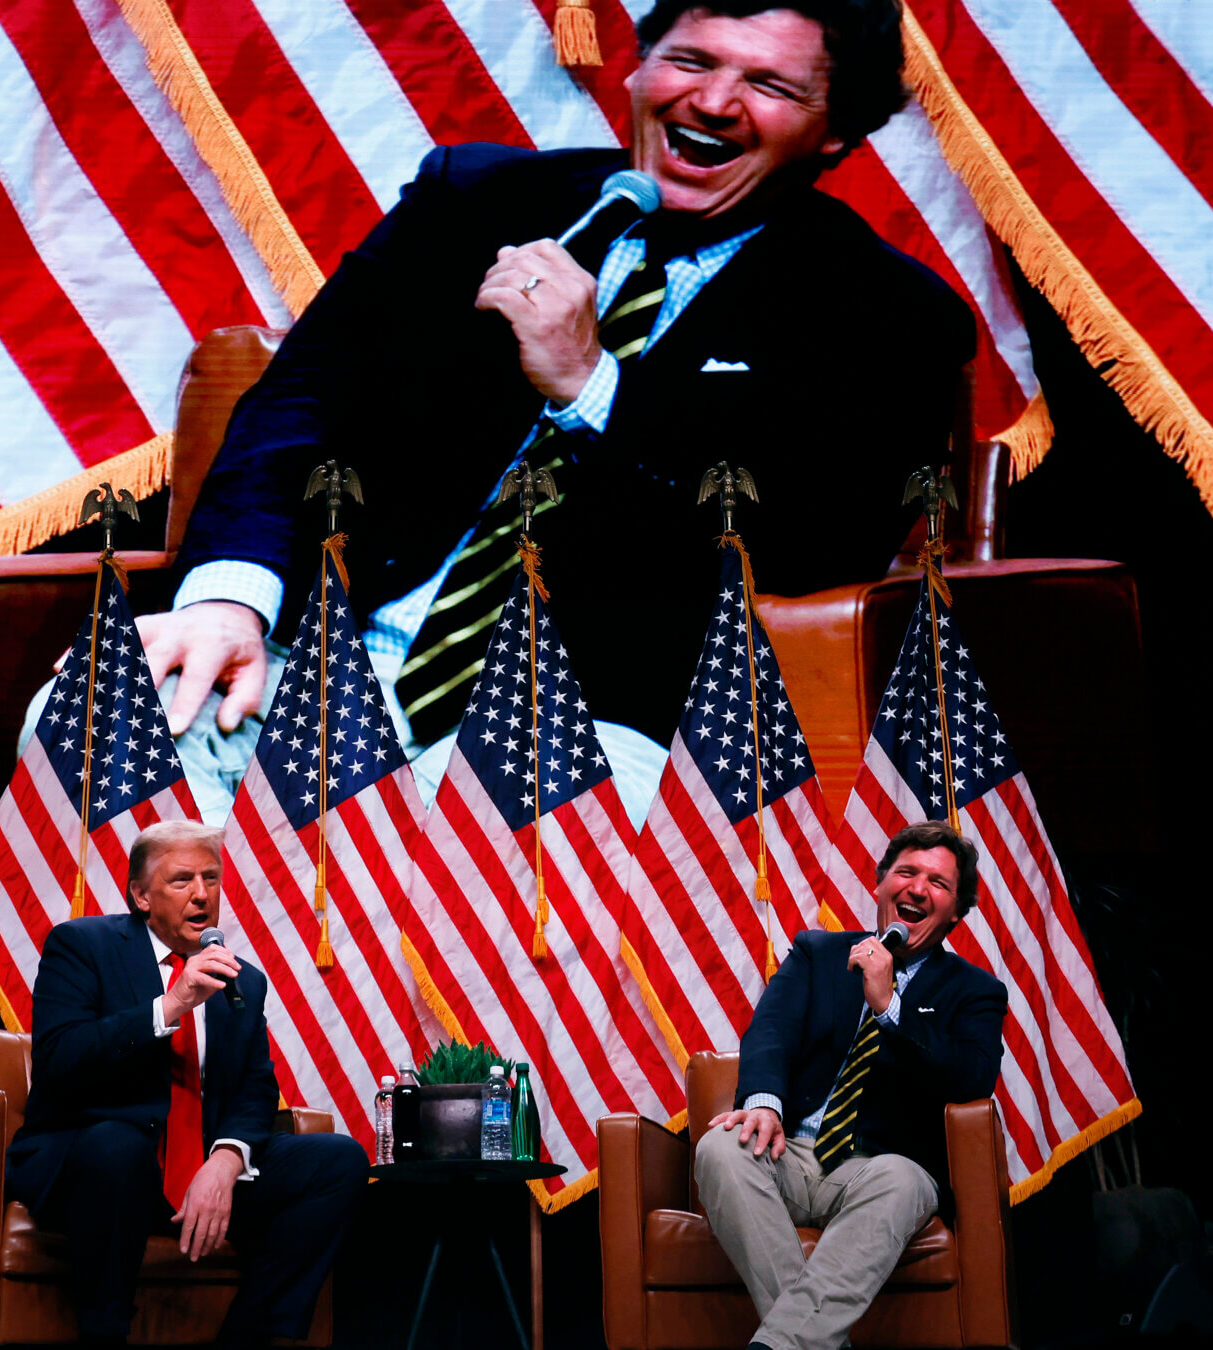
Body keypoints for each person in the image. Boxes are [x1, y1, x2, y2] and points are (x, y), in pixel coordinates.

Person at [135, 0, 975, 821]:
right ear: (640, 70)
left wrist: (591, 387)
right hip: (334, 669)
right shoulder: (473, 201)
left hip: (587, 723)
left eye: (772, 86)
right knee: (112, 708)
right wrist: (229, 601)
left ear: (837, 131)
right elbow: (301, 402)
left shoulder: (888, 318)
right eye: (691, 61)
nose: (715, 103)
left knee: (518, 826)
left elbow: (798, 549)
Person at [4, 820, 368, 1347]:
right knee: (118, 1147)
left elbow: (255, 1089)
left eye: (211, 879)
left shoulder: (240, 979)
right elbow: (62, 1060)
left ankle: (252, 1337)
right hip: (99, 1169)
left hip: (196, 1173)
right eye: (182, 881)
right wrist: (170, 1006)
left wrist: (225, 1160)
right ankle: (104, 1333)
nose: (202, 894)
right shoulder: (82, 946)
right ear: (141, 895)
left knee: (339, 1161)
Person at [692, 819, 1006, 1350]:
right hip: (790, 1152)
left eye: (938, 883)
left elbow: (970, 1078)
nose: (917, 888)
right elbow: (771, 1031)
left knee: (904, 1181)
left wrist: (890, 1006)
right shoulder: (818, 954)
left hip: (881, 1168)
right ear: (880, 884)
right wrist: (764, 1104)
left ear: (957, 911)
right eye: (906, 872)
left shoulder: (975, 991)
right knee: (721, 1146)